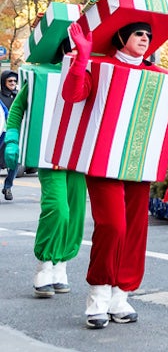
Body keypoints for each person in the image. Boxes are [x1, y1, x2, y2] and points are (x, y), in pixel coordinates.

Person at [62, 18, 168, 329]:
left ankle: (121, 294)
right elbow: (72, 95)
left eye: (149, 35)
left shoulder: (156, 75)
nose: (146, 38)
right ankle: (98, 294)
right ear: (122, 36)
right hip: (102, 159)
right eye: (139, 33)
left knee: (135, 228)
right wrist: (82, 57)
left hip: (139, 159)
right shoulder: (101, 67)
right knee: (112, 225)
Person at [3, 40, 88, 297]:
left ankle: (60, 265)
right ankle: (44, 264)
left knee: (75, 213)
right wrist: (12, 139)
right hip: (48, 154)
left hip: (79, 155)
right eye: (71, 47)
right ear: (62, 49)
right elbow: (17, 109)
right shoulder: (41, 76)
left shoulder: (94, 74)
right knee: (57, 209)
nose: (76, 51)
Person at [1, 69, 18, 199]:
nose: (13, 83)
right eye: (10, 80)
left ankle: (8, 187)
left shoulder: (19, 96)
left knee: (14, 161)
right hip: (2, 134)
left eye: (14, 81)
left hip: (15, 134)